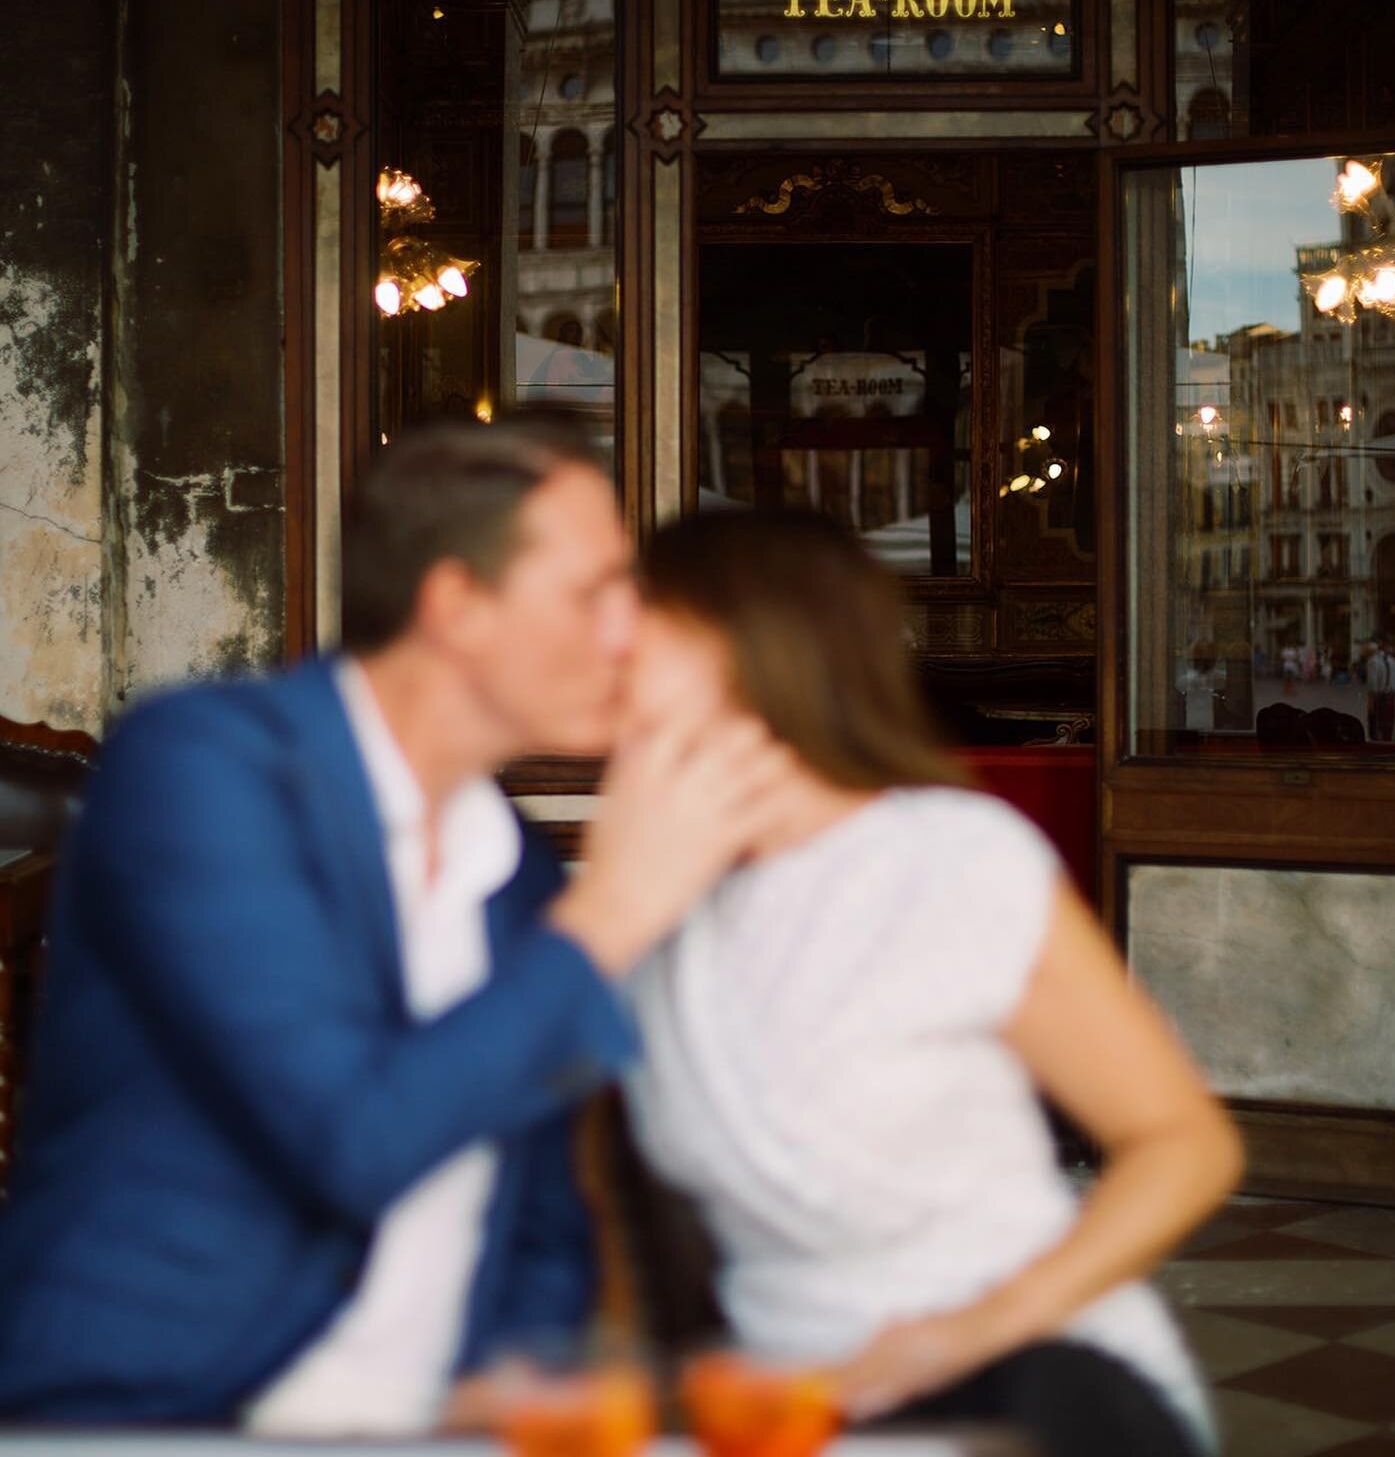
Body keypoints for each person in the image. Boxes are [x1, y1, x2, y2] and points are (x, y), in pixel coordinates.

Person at [0, 417, 795, 1430]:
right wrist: (617, 910)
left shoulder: (521, 877)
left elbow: (543, 1222)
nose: (632, 634)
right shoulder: (204, 768)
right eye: (597, 593)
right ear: (457, 605)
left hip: (428, 1428)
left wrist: (517, 1391)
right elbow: (349, 1139)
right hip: (147, 1413)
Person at [621, 508, 1243, 1457]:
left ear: (749, 649)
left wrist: (972, 1331)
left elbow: (1186, 1145)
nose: (605, 648)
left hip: (1030, 1385)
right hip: (795, 1412)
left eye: (641, 623)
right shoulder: (658, 893)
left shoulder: (945, 860)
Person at [1365, 637, 1395, 742]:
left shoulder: (1372, 662)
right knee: (1388, 729)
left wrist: (1370, 702)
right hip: (1391, 699)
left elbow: (1372, 684)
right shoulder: (1392, 661)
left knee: (1377, 730)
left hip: (1379, 700)